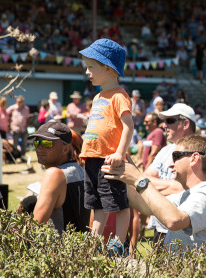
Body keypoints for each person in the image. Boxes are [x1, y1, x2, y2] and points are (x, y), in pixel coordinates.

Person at [103, 135, 206, 252]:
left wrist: (139, 179)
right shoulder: (191, 193)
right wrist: (122, 178)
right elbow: (146, 206)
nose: (170, 164)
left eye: (176, 156)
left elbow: (173, 220)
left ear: (194, 158)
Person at [79, 38, 134, 254]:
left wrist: (120, 153)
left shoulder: (119, 96)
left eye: (91, 67)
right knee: (96, 204)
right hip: (92, 157)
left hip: (109, 159)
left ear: (108, 68)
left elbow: (129, 125)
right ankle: (93, 242)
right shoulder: (98, 95)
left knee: (118, 203)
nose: (87, 72)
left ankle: (118, 244)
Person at [144, 103, 197, 244]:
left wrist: (150, 185)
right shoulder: (165, 150)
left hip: (185, 229)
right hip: (161, 225)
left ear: (185, 123)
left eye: (170, 121)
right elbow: (146, 177)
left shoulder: (199, 150)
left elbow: (182, 188)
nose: (164, 125)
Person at [29, 121, 89, 233]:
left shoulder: (54, 174)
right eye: (37, 142)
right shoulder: (79, 170)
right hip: (81, 246)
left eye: (47, 143)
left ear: (66, 149)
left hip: (62, 248)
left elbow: (36, 225)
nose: (39, 148)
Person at [6, 95, 30, 161]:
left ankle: (23, 157)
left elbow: (28, 118)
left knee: (24, 144)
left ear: (23, 102)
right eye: (17, 101)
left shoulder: (26, 108)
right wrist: (9, 121)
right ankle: (14, 157)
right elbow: (5, 113)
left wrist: (27, 125)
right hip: (15, 129)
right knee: (15, 144)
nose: (18, 103)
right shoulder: (13, 108)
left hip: (23, 129)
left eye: (20, 102)